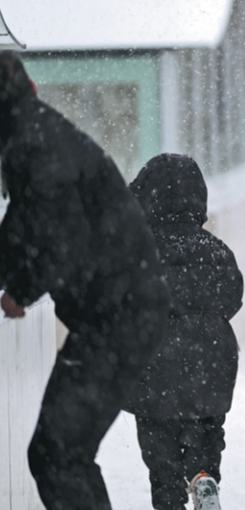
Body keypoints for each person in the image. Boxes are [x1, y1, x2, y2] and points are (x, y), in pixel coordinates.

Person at [0, 50, 170, 509]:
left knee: (58, 453)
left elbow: (58, 232)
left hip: (118, 318)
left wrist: (20, 291)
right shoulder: (33, 133)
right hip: (118, 314)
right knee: (62, 453)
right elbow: (25, 220)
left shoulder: (31, 143)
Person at [124, 154, 244, 510]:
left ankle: (169, 498)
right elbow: (232, 299)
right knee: (206, 432)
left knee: (160, 450)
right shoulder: (216, 251)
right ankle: (204, 477)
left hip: (153, 364)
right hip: (210, 360)